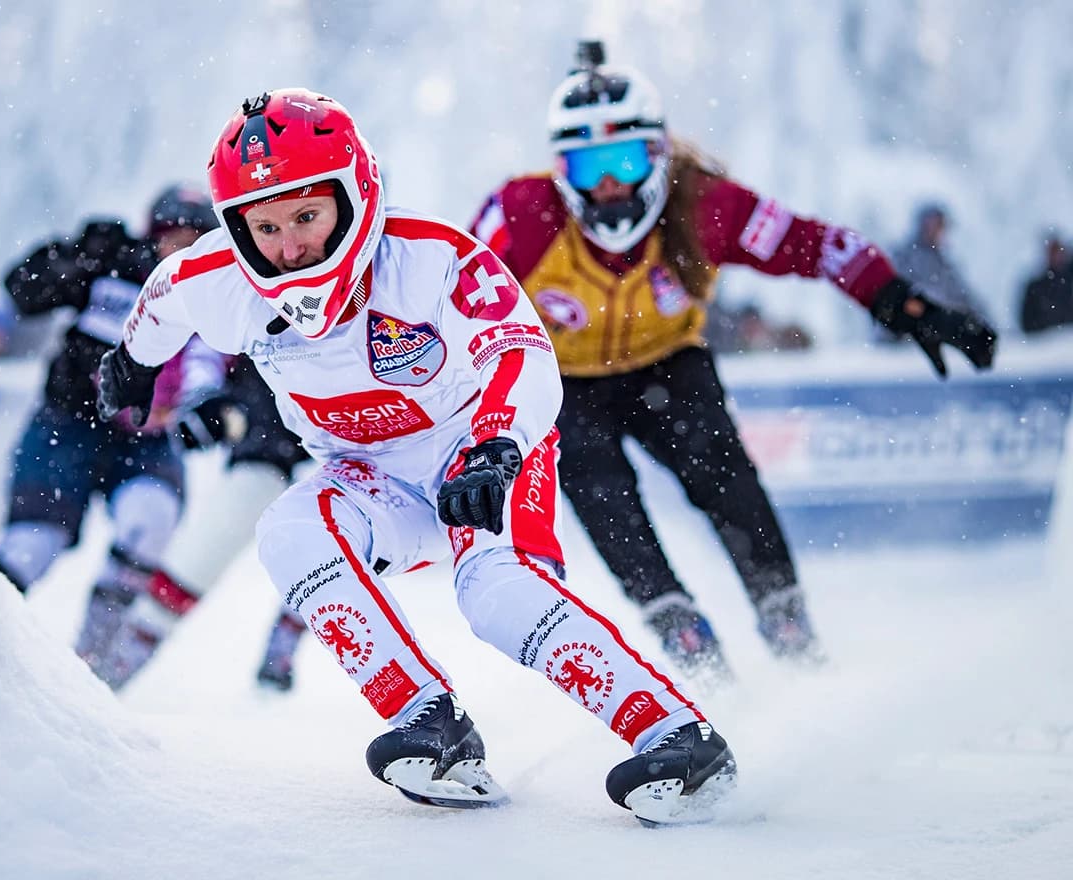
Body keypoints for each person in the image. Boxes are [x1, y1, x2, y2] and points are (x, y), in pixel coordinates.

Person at [96, 87, 736, 825]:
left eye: (307, 216)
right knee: (288, 532)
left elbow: (522, 351)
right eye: (265, 227)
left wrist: (497, 443)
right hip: (371, 475)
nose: (290, 247)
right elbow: (161, 301)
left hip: (482, 452)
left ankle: (679, 738)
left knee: (495, 593)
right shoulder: (217, 280)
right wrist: (134, 362)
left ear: (356, 195)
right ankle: (431, 726)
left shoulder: (434, 258)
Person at [467, 42, 997, 687]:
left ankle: (787, 623)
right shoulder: (522, 212)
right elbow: (453, 295)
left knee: (726, 480)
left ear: (658, 155)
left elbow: (815, 244)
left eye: (624, 160)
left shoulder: (705, 205)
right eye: (586, 166)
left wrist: (900, 303)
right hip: (565, 383)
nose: (606, 184)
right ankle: (682, 633)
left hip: (669, 367)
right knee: (602, 498)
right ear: (560, 171)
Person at [0, 184, 219, 690]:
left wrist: (218, 417)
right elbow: (22, 291)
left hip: (144, 439)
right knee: (32, 545)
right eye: (171, 236)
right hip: (68, 424)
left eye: (194, 240)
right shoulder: (113, 264)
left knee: (149, 522)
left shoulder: (215, 292)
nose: (178, 249)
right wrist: (69, 257)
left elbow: (236, 380)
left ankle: (92, 664)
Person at [162, 350, 313, 691]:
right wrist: (202, 394)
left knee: (336, 549)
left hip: (342, 441)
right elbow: (209, 341)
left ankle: (283, 651)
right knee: (194, 564)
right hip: (266, 436)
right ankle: (110, 665)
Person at [879, 202, 992, 339]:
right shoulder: (904, 256)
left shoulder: (942, 262)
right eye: (936, 225)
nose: (940, 231)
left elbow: (962, 296)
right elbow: (896, 296)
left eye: (942, 226)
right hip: (899, 338)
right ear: (924, 225)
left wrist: (982, 322)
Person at [1019, 233, 1073, 334]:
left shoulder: (1069, 281)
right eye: (1053, 252)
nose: (1057, 257)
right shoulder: (1036, 287)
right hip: (1048, 340)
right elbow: (1028, 325)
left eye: (1058, 251)